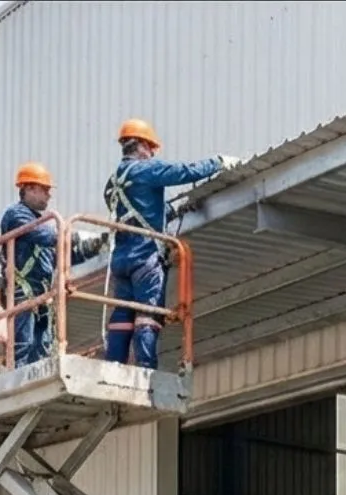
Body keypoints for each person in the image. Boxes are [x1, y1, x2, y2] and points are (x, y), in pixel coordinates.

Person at [101, 118, 242, 370]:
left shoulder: (112, 184)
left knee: (123, 315)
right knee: (148, 314)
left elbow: (139, 209)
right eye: (151, 148)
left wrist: (174, 211)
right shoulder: (146, 170)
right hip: (144, 256)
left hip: (120, 260)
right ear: (142, 145)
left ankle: (113, 365)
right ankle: (145, 368)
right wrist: (219, 162)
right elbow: (184, 172)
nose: (153, 153)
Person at [0, 162, 110, 367]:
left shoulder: (40, 222)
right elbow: (49, 237)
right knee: (23, 344)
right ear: (29, 188)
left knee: (42, 347)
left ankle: (32, 380)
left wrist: (93, 247)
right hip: (22, 292)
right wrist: (74, 236)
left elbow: (59, 255)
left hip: (41, 294)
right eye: (45, 190)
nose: (49, 196)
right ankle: (18, 381)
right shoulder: (16, 215)